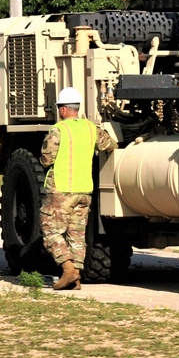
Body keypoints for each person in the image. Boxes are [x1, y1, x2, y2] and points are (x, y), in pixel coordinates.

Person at [40, 87, 118, 290]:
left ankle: (67, 269)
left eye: (59, 107)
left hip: (62, 189)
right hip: (84, 190)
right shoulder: (91, 128)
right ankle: (75, 278)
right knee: (76, 234)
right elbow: (110, 145)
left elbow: (47, 159)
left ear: (64, 109)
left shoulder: (58, 130)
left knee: (50, 231)